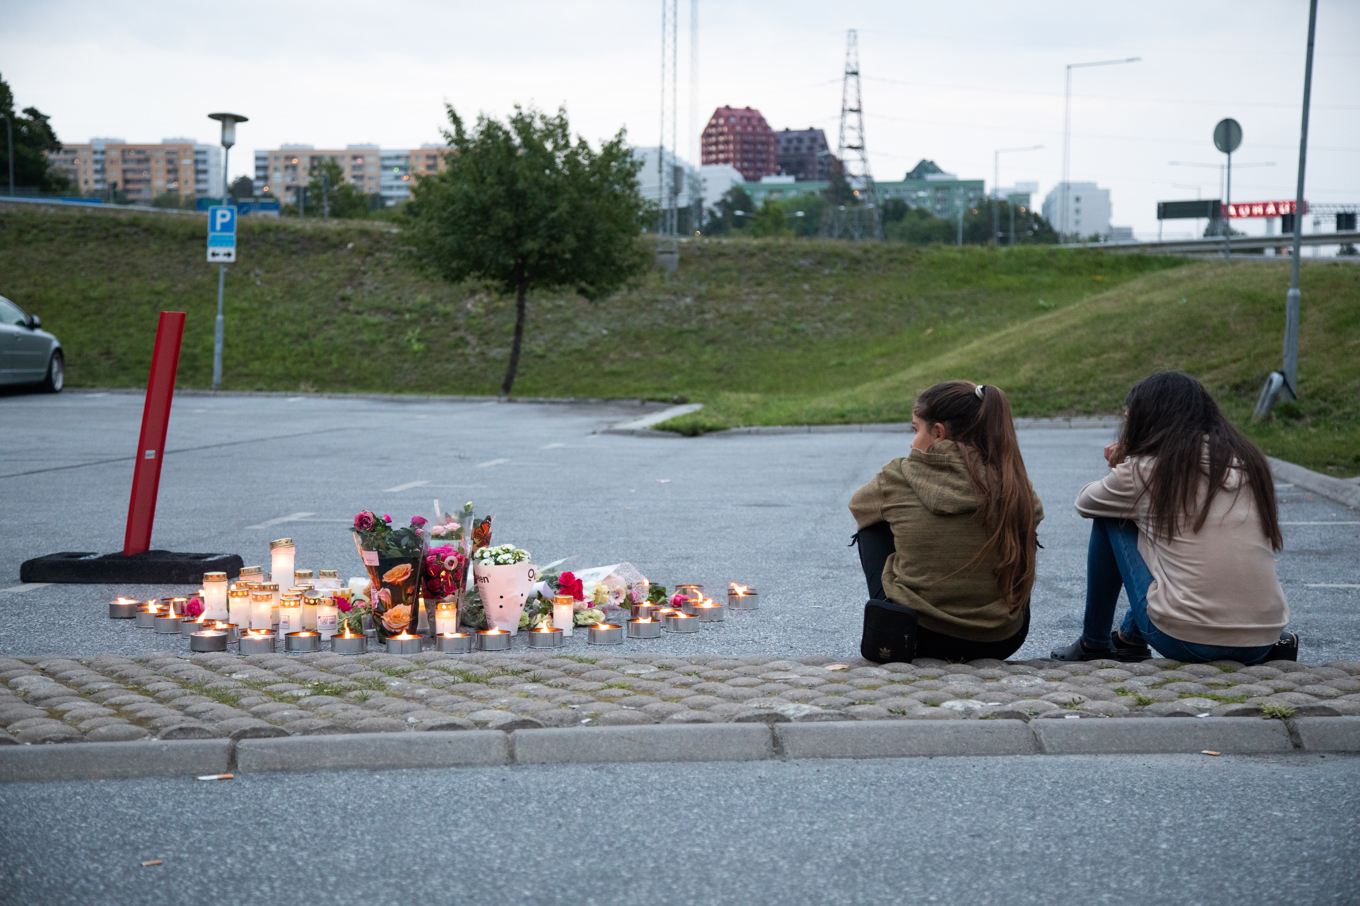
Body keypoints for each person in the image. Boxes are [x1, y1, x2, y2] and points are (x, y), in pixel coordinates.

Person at [1052, 371, 1296, 664]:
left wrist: (1127, 461)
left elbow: (1085, 502)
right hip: (1262, 640)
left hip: (1186, 639)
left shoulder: (1147, 471)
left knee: (1110, 517)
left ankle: (1094, 643)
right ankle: (1129, 637)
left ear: (1148, 422)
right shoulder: (1248, 463)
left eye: (1129, 418)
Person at [849, 381, 1043, 662]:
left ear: (938, 433)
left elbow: (858, 505)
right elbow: (1035, 516)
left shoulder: (898, 475)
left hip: (916, 636)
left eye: (916, 430)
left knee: (873, 525)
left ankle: (894, 613)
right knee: (1018, 525)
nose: (912, 442)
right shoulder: (1013, 481)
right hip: (1000, 639)